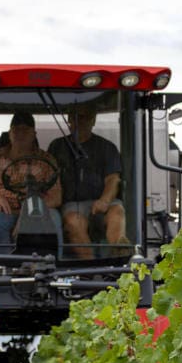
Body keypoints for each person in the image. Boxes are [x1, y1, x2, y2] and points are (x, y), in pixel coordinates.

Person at [47, 107, 128, 258]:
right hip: (72, 205)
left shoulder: (107, 148)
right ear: (69, 120)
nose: (81, 122)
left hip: (103, 201)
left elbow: (113, 179)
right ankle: (92, 267)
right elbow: (48, 177)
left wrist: (104, 200)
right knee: (73, 222)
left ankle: (119, 257)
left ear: (93, 121)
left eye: (86, 118)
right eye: (77, 118)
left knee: (117, 212)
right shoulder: (57, 147)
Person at [0, 111, 62, 251]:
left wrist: (26, 215)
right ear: (9, 133)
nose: (20, 134)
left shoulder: (47, 160)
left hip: (38, 210)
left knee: (54, 219)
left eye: (25, 130)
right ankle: (4, 267)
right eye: (16, 130)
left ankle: (56, 267)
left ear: (34, 134)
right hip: (5, 211)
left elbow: (57, 197)